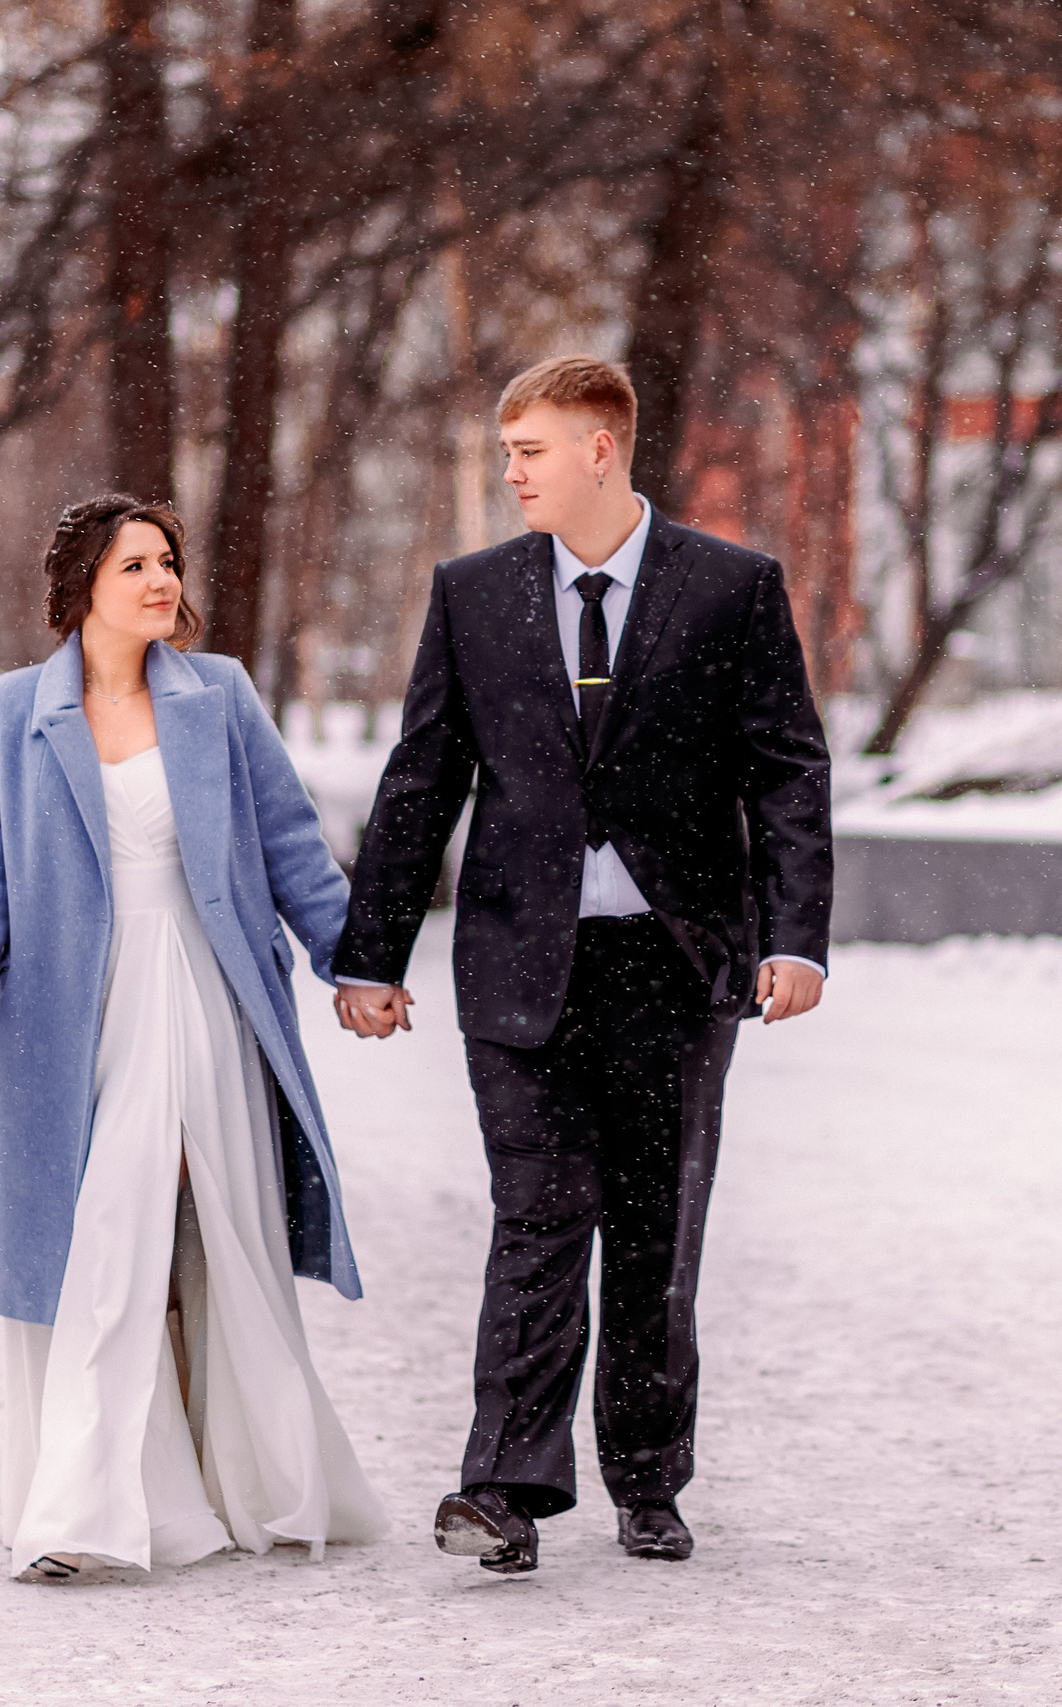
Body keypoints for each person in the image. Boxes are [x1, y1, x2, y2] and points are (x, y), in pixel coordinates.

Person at [334, 356, 833, 1575]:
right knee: (539, 1217)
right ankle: (503, 1488)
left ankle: (648, 1479)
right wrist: (371, 956)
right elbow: (422, 779)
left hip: (677, 964)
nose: (510, 473)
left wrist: (794, 937)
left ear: (599, 449)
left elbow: (787, 772)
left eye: (529, 451)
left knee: (657, 1233)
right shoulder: (471, 595)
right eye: (506, 452)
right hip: (518, 967)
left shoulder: (730, 588)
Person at [0, 493, 387, 1583]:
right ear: (81, 586)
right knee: (110, 1238)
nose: (162, 580)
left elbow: (293, 846)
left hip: (206, 999)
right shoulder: (12, 716)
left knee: (191, 1232)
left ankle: (217, 1484)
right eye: (134, 565)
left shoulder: (219, 696)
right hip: (72, 1020)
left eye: (168, 561)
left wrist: (353, 966)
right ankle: (99, 1502)